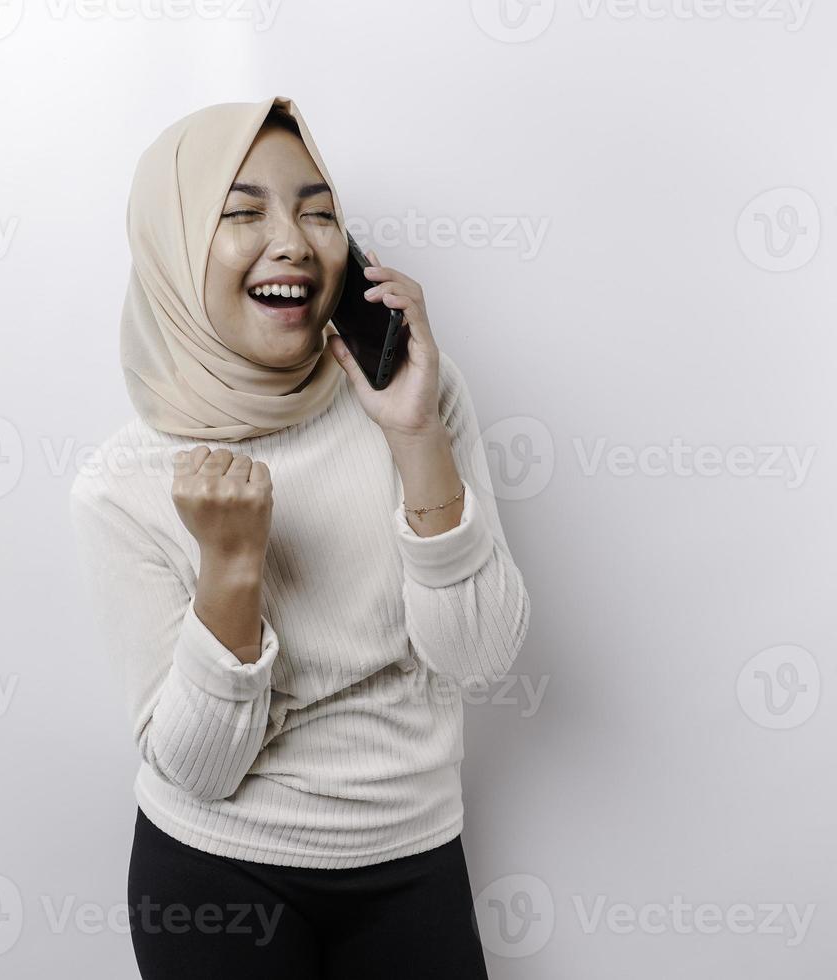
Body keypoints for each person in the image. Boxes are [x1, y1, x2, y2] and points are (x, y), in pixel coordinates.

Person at [68, 94, 531, 979]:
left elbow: (478, 653)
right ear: (173, 247)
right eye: (243, 213)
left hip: (414, 854)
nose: (293, 240)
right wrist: (232, 569)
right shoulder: (120, 485)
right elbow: (199, 769)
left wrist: (412, 432)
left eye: (318, 211)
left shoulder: (413, 390)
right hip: (217, 873)